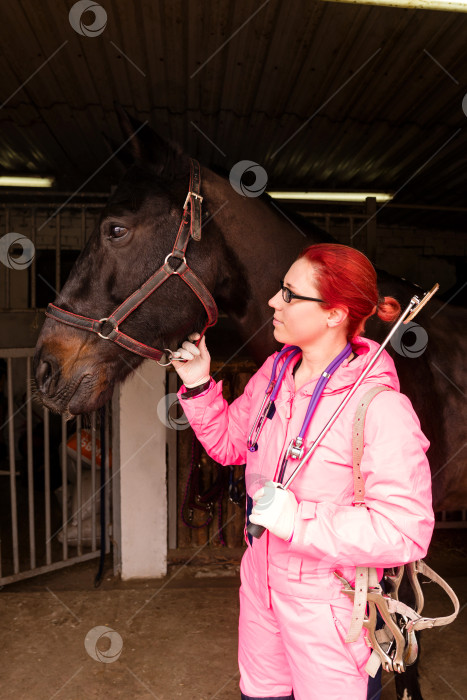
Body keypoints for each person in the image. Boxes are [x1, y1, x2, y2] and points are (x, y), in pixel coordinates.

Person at [172, 243, 434, 700]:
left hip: (332, 606)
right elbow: (231, 444)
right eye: (280, 290)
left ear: (334, 313)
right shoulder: (275, 375)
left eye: (290, 295)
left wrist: (298, 520)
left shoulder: (382, 408)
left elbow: (406, 529)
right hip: (261, 587)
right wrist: (197, 382)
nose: (274, 302)